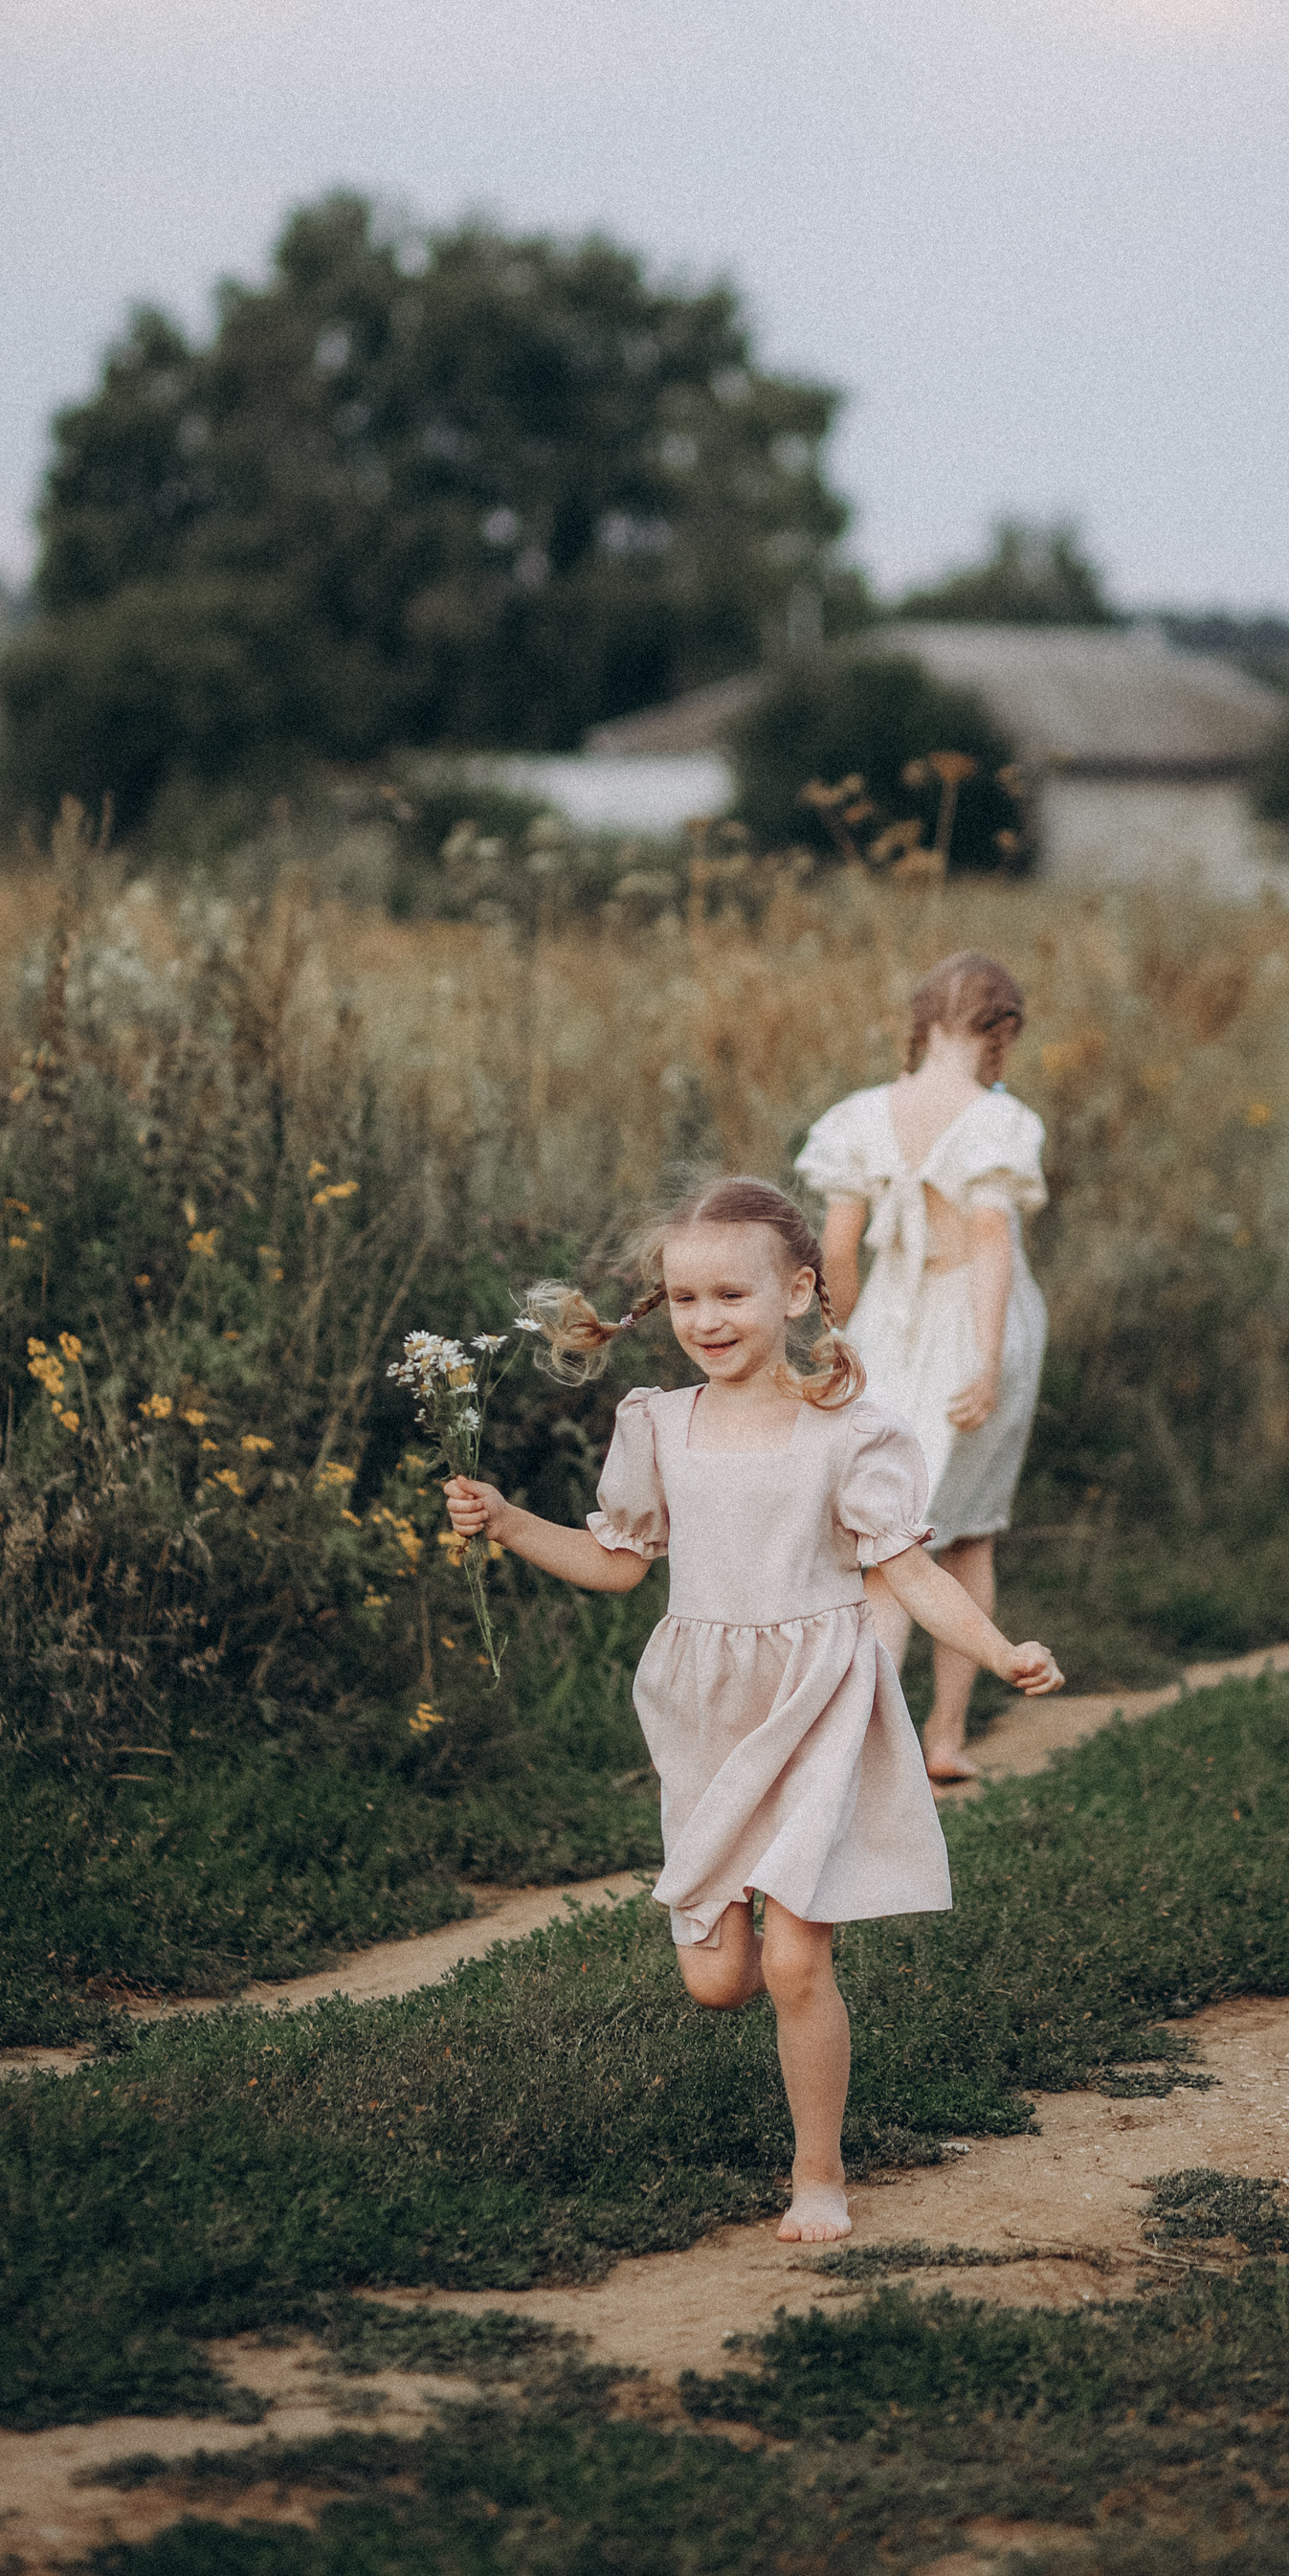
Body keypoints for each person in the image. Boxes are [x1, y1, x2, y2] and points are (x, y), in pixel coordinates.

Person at [441, 1175, 1061, 2246]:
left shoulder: (845, 1431)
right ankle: (724, 1932)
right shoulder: (655, 1424)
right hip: (704, 1710)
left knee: (791, 1961)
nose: (706, 1319)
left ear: (797, 1293)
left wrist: (998, 1648)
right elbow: (617, 1564)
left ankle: (815, 2172)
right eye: (684, 1299)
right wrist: (507, 1521)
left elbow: (906, 1575)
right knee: (719, 1979)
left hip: (821, 1695)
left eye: (731, 1294)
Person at [795, 952, 1048, 1786]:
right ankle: (936, 1734)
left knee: (887, 1534)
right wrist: (983, 1361)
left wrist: (838, 1336)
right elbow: (988, 1241)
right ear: (999, 1030)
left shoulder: (859, 1116)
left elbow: (837, 1244)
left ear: (922, 1021)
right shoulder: (996, 1121)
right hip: (968, 1318)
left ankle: (877, 1740)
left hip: (887, 1325)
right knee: (961, 1531)